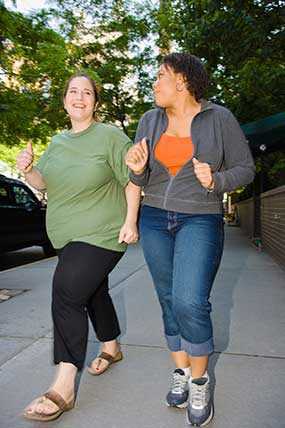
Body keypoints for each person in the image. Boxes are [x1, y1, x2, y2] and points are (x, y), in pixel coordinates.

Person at [125, 52, 255, 427]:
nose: (155, 83)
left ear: (182, 81)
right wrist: (136, 170)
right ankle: (180, 371)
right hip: (153, 218)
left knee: (190, 300)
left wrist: (216, 180)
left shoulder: (219, 118)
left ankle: (200, 380)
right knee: (168, 299)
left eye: (160, 76)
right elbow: (138, 178)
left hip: (200, 216)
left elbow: (245, 167)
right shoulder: (149, 120)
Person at [16, 72, 141, 421]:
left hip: (103, 233)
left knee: (67, 294)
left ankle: (65, 382)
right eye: (73, 91)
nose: (80, 97)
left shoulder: (110, 137)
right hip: (66, 237)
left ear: (96, 102)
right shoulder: (56, 142)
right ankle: (112, 346)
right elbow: (45, 183)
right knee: (93, 292)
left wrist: (131, 221)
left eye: (87, 92)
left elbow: (132, 177)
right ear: (64, 100)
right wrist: (28, 171)